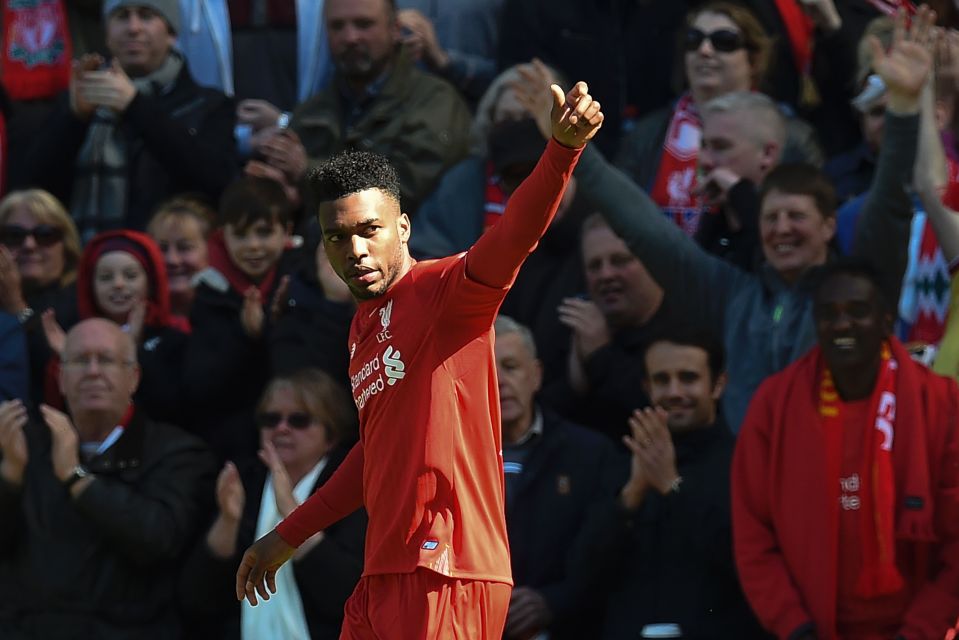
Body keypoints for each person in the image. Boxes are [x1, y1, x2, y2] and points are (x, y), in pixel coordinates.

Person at [235, 80, 603, 638]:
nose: (355, 249)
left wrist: (561, 151)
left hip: (446, 569)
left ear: (403, 228)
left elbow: (514, 234)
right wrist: (288, 534)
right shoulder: (362, 327)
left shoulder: (443, 293)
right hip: (385, 569)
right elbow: (375, 452)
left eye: (369, 231)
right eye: (338, 237)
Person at [561, 4, 933, 432]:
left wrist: (904, 110)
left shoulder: (858, 288)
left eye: (797, 216)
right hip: (757, 486)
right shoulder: (735, 296)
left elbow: (889, 204)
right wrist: (576, 154)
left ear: (829, 225)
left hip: (845, 481)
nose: (781, 228)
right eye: (771, 218)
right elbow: (644, 230)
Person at [732, 260, 959, 639]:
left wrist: (919, 633)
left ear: (887, 322)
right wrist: (794, 626)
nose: (841, 325)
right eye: (828, 315)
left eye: (857, 312)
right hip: (807, 629)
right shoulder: (774, 405)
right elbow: (753, 532)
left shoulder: (940, 403)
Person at [0, 318, 216, 639]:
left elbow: (158, 538)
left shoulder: (177, 452)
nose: (93, 371)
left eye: (106, 360)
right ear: (60, 379)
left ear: (134, 378)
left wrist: (78, 480)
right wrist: (10, 478)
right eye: (80, 361)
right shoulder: (24, 445)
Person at [574, 330, 767, 638]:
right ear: (647, 388)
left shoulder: (746, 463)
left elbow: (749, 564)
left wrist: (671, 485)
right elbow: (581, 576)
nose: (675, 391)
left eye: (688, 378)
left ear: (718, 385)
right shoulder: (620, 464)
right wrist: (632, 494)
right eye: (662, 380)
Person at [18, 0, 237, 240]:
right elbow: (30, 191)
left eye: (146, 15)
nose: (133, 28)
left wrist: (135, 106)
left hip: (168, 262)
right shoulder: (76, 100)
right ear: (107, 33)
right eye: (122, 16)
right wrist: (73, 119)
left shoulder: (209, 105)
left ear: (172, 34)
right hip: (85, 263)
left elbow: (218, 184)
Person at [180, 369, 366, 640]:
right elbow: (197, 600)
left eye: (299, 420)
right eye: (271, 419)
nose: (282, 428)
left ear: (331, 435)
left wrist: (294, 516)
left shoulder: (351, 489)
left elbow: (346, 595)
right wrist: (228, 522)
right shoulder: (246, 483)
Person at [250, 0, 473, 217]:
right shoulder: (313, 111)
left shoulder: (434, 101)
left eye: (364, 24)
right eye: (337, 26)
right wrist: (279, 193)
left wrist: (307, 171)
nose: (350, 38)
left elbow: (398, 191)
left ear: (395, 29)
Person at [493, 315, 624, 640]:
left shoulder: (589, 454)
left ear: (536, 375)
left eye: (510, 367)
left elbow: (607, 553)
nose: (498, 380)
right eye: (486, 370)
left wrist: (554, 600)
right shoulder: (451, 458)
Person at [183, 175, 297, 465]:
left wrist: (268, 332)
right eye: (242, 235)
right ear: (223, 236)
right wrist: (245, 337)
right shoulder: (208, 294)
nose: (254, 246)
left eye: (264, 232)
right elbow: (201, 385)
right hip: (232, 444)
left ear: (287, 231)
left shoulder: (303, 280)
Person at [0, 189, 81, 405]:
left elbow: (49, 372)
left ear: (66, 245)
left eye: (45, 235)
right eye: (15, 236)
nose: (29, 245)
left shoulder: (82, 299)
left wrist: (16, 307)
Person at [147, 196, 214, 321]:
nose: (172, 260)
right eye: (162, 249)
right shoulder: (136, 318)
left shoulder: (230, 317)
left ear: (211, 252)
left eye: (185, 248)